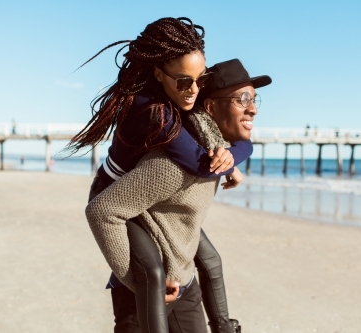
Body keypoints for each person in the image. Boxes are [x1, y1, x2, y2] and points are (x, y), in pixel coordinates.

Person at [68, 18, 253, 333]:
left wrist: (232, 157)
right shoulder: (151, 111)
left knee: (208, 257)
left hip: (143, 198)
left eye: (201, 79)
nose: (194, 90)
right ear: (158, 73)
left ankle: (224, 325)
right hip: (114, 195)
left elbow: (242, 144)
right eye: (184, 81)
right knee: (152, 274)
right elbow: (197, 163)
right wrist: (136, 283)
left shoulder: (180, 98)